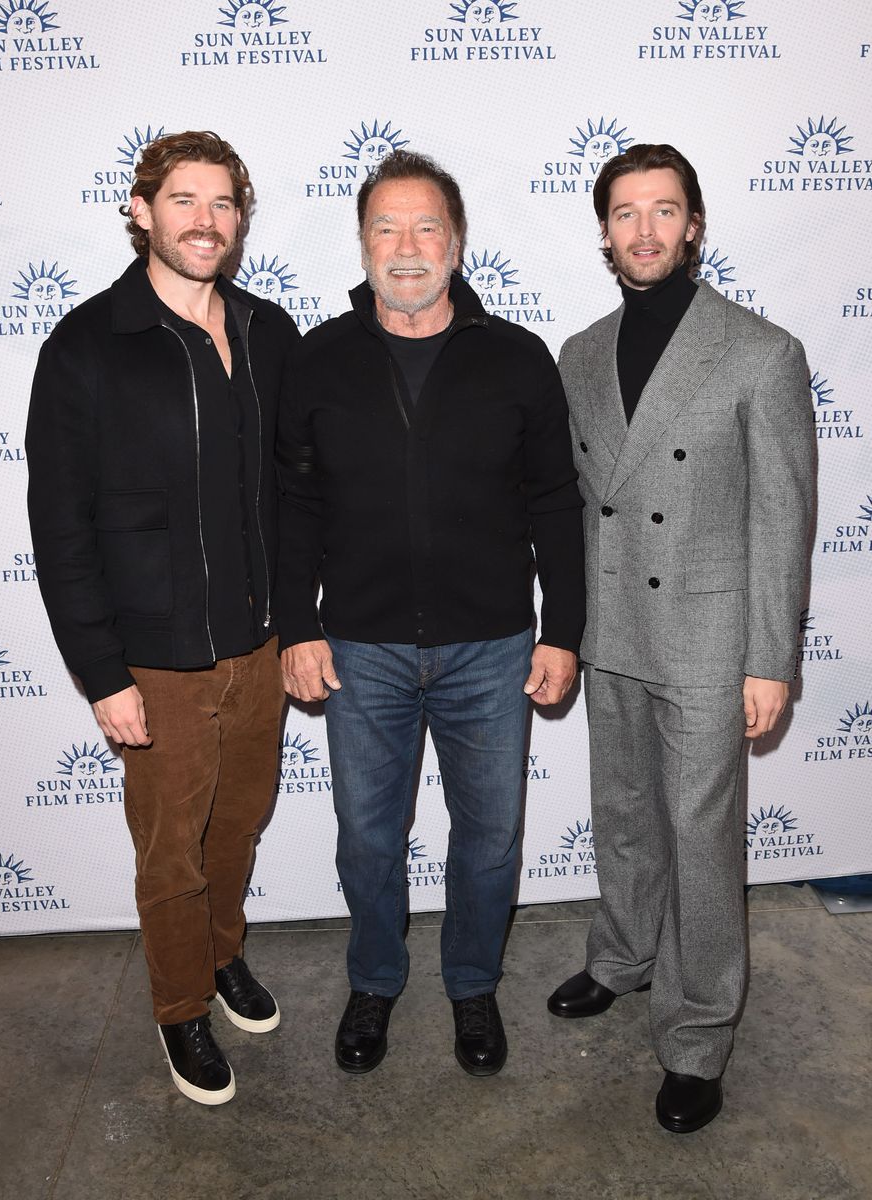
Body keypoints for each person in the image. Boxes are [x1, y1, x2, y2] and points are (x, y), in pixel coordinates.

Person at [277, 149, 585, 1077]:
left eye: (425, 228)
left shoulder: (517, 357)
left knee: (488, 838)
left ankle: (471, 988)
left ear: (455, 243)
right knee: (369, 838)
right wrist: (296, 623)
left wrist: (563, 627)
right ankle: (374, 980)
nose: (406, 248)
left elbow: (555, 503)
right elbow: (289, 504)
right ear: (362, 241)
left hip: (491, 648)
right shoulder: (317, 357)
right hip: (359, 647)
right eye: (386, 227)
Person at [26, 130, 300, 1105]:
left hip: (259, 646)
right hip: (157, 662)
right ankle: (181, 1009)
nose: (206, 221)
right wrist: (104, 675)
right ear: (142, 210)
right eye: (184, 200)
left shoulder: (269, 332)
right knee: (170, 853)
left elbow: (294, 492)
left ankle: (222, 955)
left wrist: (298, 624)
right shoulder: (89, 344)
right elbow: (59, 525)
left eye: (223, 203)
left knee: (236, 832)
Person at [553, 143, 814, 1132]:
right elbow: (580, 507)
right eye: (625, 213)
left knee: (700, 840)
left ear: (693, 224)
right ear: (605, 232)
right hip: (612, 624)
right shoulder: (578, 353)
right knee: (621, 813)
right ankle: (620, 958)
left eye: (663, 210)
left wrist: (767, 660)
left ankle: (698, 1033)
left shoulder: (760, 351)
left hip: (708, 636)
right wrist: (566, 632)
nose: (644, 230)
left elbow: (779, 520)